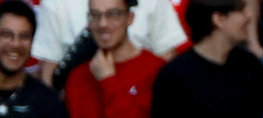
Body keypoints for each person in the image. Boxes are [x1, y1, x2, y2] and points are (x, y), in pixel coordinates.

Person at [32, 0, 188, 87]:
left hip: (140, 102)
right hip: (78, 102)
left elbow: (167, 56)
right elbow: (48, 72)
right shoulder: (55, 2)